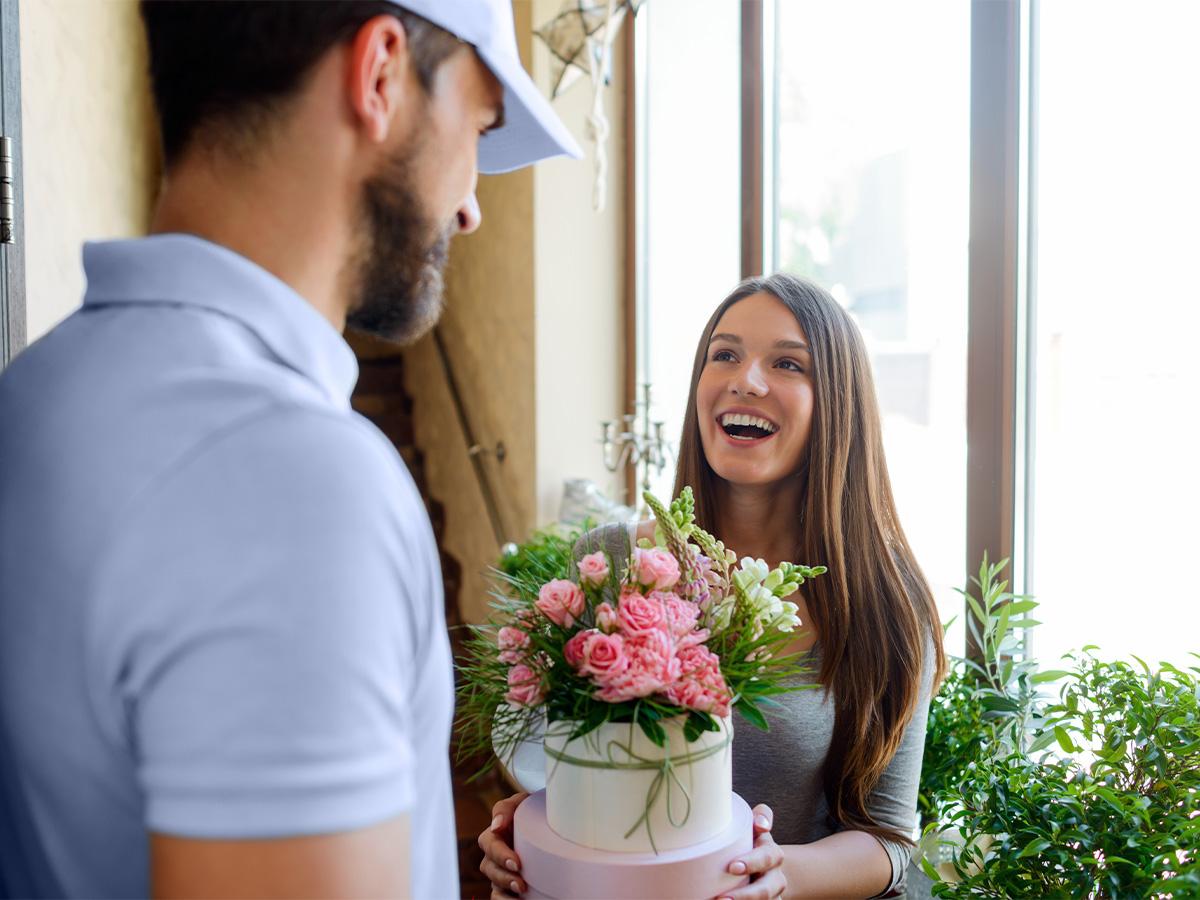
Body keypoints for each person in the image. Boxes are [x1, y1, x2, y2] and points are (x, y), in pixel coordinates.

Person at [0, 2, 580, 897]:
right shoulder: (292, 486)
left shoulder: (34, 393)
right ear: (381, 74)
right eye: (476, 123)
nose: (469, 207)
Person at [479, 274, 946, 899]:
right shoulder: (608, 563)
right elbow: (569, 771)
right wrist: (529, 834)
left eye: (787, 363)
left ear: (838, 402)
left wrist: (780, 877)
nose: (745, 379)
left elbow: (889, 839)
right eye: (723, 354)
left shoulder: (885, 601)